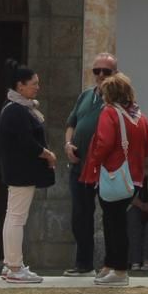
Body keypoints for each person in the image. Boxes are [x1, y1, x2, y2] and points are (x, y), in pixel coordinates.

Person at [80, 73, 148, 287]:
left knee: (114, 223)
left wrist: (93, 165)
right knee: (114, 220)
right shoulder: (140, 116)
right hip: (134, 178)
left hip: (113, 174)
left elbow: (104, 143)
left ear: (109, 94)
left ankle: (120, 269)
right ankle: (110, 264)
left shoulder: (110, 113)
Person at [0, 60, 57, 284]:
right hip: (20, 171)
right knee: (16, 218)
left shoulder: (19, 108)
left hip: (19, 171)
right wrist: (47, 154)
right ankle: (14, 266)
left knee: (13, 215)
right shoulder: (16, 110)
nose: (37, 87)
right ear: (20, 86)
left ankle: (10, 264)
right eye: (34, 83)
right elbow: (26, 142)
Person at [63, 52, 117, 275]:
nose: (101, 75)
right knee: (80, 215)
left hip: (105, 168)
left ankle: (111, 264)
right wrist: (68, 144)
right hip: (79, 166)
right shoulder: (85, 96)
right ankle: (83, 263)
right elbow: (71, 123)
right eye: (97, 71)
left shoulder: (118, 99)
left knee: (111, 216)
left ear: (115, 73)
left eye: (107, 71)